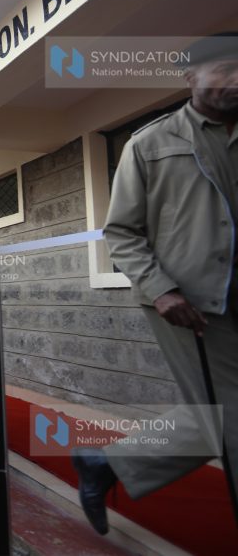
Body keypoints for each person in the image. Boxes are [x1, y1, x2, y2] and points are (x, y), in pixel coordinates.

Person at [72, 33, 238, 536]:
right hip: (193, 305)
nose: (235, 80)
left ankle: (106, 465)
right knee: (228, 418)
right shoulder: (152, 143)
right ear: (190, 78)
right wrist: (161, 289)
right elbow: (121, 231)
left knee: (219, 417)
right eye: (224, 69)